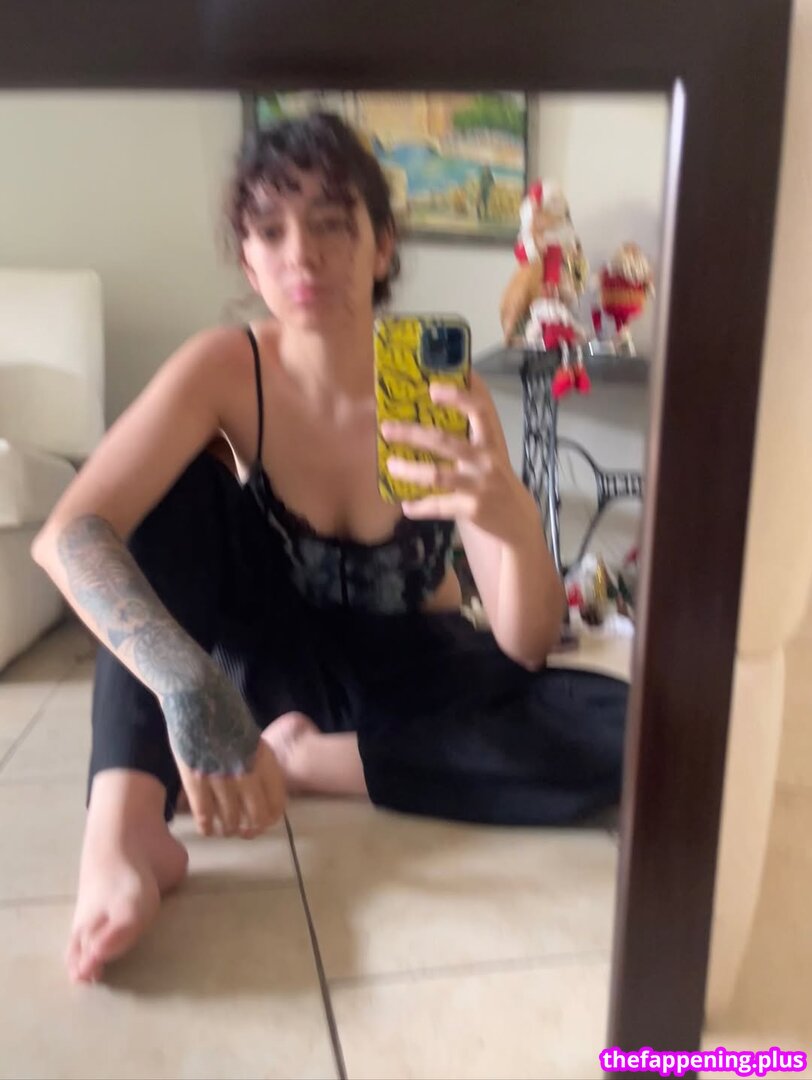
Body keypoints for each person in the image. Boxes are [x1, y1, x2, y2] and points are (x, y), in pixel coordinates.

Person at [31, 112, 627, 985]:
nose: (301, 254)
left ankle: (314, 765)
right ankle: (122, 834)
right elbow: (68, 535)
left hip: (409, 673)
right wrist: (186, 682)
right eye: (271, 231)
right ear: (248, 262)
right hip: (265, 670)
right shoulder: (224, 368)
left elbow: (525, 645)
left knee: (624, 726)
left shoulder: (440, 387)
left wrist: (510, 518)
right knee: (170, 495)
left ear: (382, 247)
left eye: (332, 224)